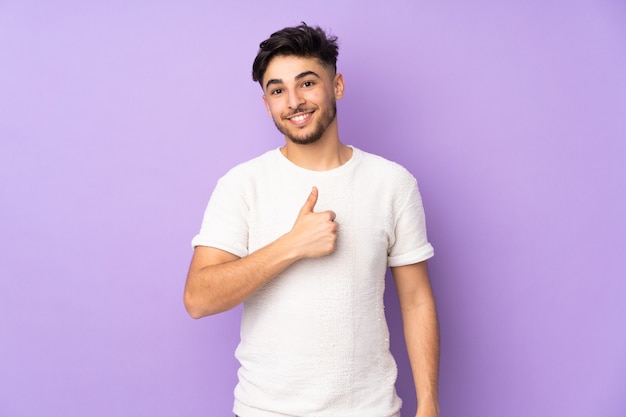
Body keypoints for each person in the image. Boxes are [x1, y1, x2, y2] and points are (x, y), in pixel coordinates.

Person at [184, 23, 440, 417]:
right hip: (265, 410)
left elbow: (416, 301)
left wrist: (428, 404)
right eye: (277, 90)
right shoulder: (242, 184)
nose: (293, 102)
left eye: (307, 83)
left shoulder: (392, 183)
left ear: (336, 85)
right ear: (266, 103)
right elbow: (198, 299)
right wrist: (292, 245)